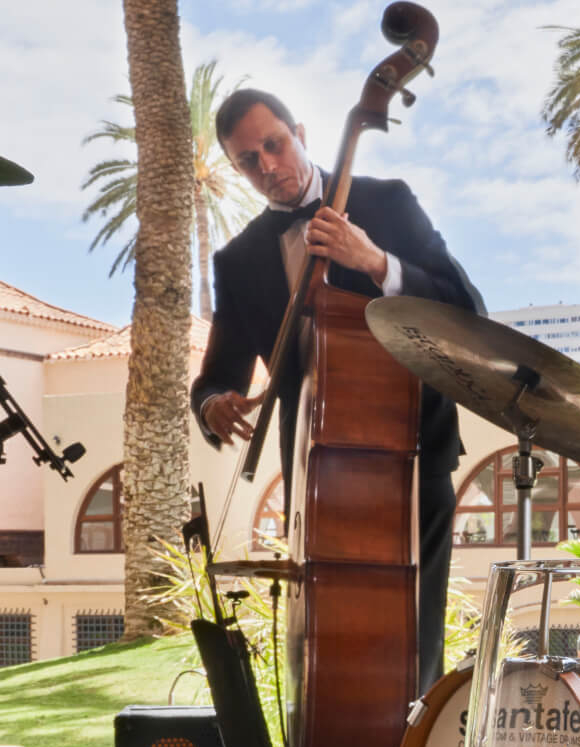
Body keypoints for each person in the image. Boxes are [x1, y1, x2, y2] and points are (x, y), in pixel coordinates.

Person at [190, 88, 482, 690]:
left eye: (274, 144)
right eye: (248, 160)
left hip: (410, 453)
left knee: (414, 631)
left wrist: (376, 261)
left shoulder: (388, 202)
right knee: (322, 637)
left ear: (300, 131)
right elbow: (217, 375)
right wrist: (214, 403)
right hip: (314, 468)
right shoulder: (238, 259)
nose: (267, 166)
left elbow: (464, 306)